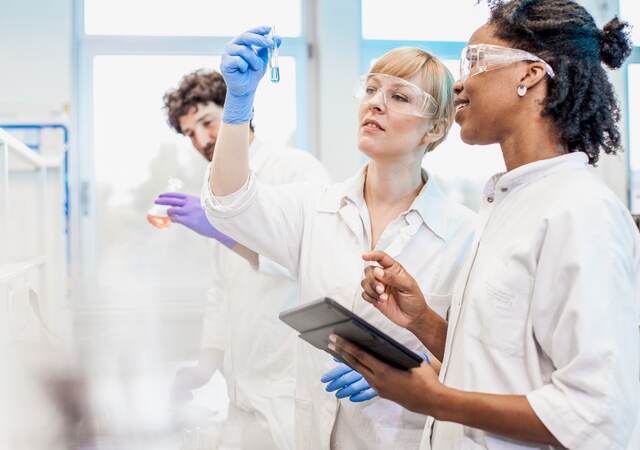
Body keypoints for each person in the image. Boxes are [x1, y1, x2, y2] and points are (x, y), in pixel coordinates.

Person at [330, 1, 640, 449]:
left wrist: (437, 401)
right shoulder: (509, 202)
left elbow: (598, 414)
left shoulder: (580, 213)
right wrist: (424, 323)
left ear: (530, 76)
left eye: (475, 62)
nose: (459, 83)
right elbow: (503, 367)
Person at [201, 26, 477, 449]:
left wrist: (416, 370)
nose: (375, 104)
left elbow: (481, 360)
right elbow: (230, 203)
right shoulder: (314, 208)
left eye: (399, 97)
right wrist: (239, 107)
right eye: (371, 90)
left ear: (435, 130)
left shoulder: (466, 235)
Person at [157, 69, 329, 449]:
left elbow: (315, 262)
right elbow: (222, 289)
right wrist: (204, 366)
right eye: (190, 134)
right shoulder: (212, 189)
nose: (202, 139)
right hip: (241, 387)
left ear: (237, 111)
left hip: (289, 383)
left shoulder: (295, 169)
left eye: (208, 122)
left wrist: (224, 228)